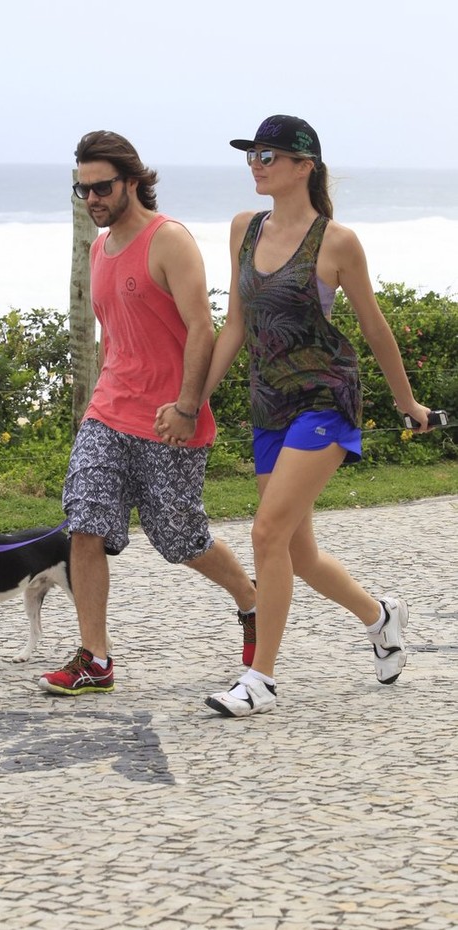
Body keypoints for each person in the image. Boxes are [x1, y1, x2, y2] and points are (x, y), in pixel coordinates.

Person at [158, 114, 433, 718]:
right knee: (297, 553)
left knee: (265, 533)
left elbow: (374, 328)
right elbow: (235, 325)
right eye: (252, 156)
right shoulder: (243, 230)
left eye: (269, 157)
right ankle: (381, 617)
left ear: (304, 166)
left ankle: (259, 680)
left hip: (325, 400)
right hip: (269, 403)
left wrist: (407, 403)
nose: (257, 165)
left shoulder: (336, 242)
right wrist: (192, 401)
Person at [38, 130, 257, 696]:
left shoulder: (170, 241)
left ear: (133, 182)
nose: (92, 199)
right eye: (82, 189)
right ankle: (96, 658)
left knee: (180, 537)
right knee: (84, 521)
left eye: (102, 187)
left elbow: (201, 329)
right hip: (108, 414)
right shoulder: (97, 248)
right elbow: (113, 332)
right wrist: (97, 400)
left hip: (170, 418)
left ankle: (251, 599)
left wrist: (188, 406)